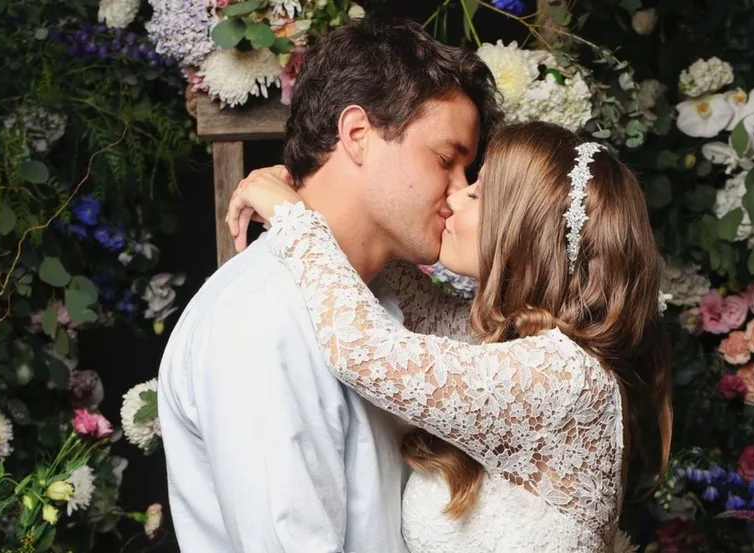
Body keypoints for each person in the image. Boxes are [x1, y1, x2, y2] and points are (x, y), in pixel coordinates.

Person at [225, 121, 673, 552]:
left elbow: (364, 351)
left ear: (524, 232)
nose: (457, 197)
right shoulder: (508, 343)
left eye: (478, 192)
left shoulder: (566, 378)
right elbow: (390, 270)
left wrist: (293, 217)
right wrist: (321, 198)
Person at [157, 17, 501, 553]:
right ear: (358, 134)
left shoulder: (383, 302)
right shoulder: (263, 313)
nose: (460, 194)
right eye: (446, 160)